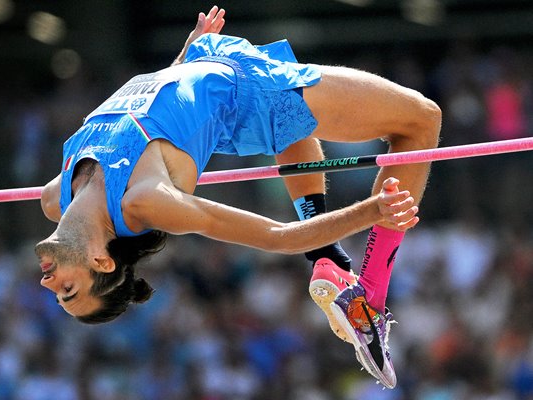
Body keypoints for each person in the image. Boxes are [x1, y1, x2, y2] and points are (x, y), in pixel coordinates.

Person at [35, 6, 441, 388]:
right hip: (250, 91)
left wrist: (184, 57)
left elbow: (146, 109)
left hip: (213, 66)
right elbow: (277, 236)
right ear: (101, 261)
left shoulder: (57, 196)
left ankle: (328, 259)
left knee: (292, 126)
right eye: (68, 291)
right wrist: (373, 210)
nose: (48, 283)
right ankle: (369, 293)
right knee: (421, 119)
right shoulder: (143, 201)